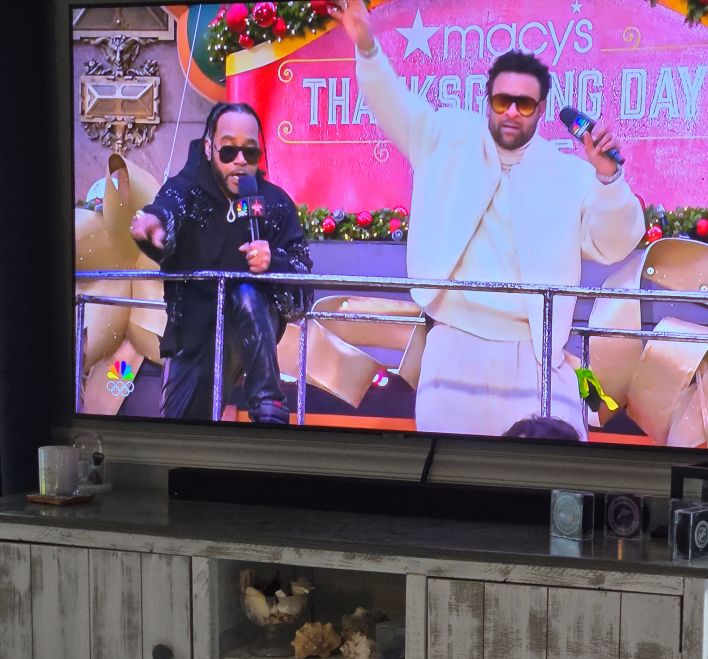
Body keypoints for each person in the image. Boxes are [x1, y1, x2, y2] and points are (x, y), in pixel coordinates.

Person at [328, 0, 645, 440]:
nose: (511, 111)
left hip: (536, 354)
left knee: (549, 480)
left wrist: (609, 178)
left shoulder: (570, 173)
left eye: (524, 104)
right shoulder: (445, 139)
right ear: (488, 100)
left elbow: (614, 243)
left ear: (540, 108)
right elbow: (393, 103)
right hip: (455, 344)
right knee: (453, 480)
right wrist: (365, 45)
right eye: (502, 100)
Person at [129, 101, 313, 422]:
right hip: (193, 338)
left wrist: (274, 263)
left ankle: (268, 404)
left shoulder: (274, 203)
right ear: (209, 147)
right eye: (229, 152)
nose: (240, 161)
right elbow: (166, 211)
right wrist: (153, 227)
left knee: (246, 291)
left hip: (254, 337)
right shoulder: (185, 190)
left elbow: (302, 293)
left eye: (250, 152)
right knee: (182, 440)